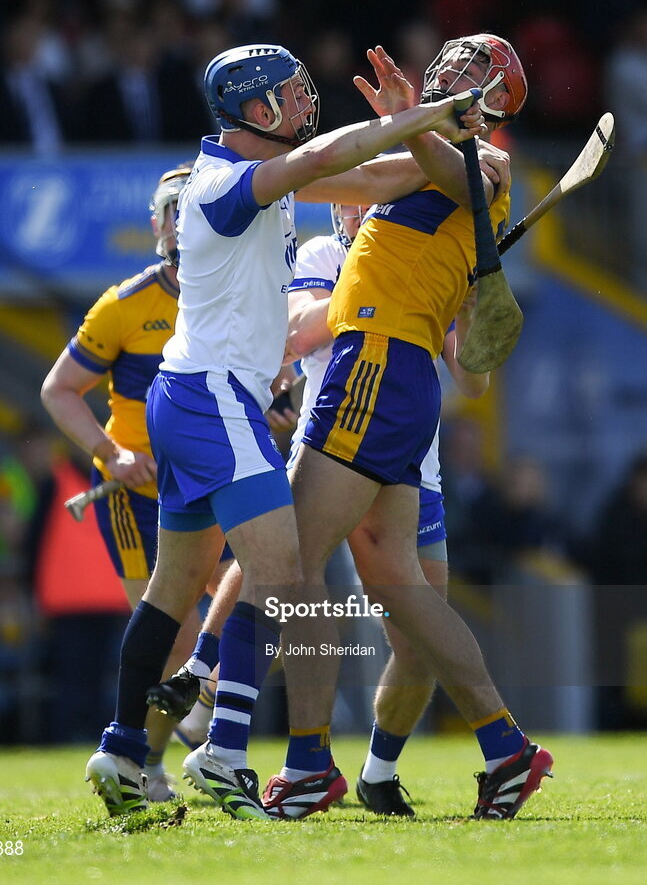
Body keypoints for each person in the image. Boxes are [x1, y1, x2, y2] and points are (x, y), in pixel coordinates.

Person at [84, 40, 489, 822]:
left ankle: (123, 749)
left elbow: (373, 176)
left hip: (192, 396)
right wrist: (425, 113)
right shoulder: (231, 181)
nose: (307, 106)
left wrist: (464, 169)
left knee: (175, 592)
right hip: (214, 401)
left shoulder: (261, 176)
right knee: (286, 575)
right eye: (294, 95)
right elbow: (334, 155)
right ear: (257, 110)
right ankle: (224, 751)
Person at [264, 36, 554, 822]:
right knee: (401, 585)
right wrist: (283, 156)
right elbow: (334, 171)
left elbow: (447, 169)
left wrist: (408, 119)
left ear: (499, 100)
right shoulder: (423, 153)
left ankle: (305, 765)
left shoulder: (485, 165)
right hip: (390, 369)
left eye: (476, 70)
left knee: (291, 555)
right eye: (454, 65)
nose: (456, 73)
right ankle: (507, 752)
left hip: (379, 362)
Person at [284, 202, 490, 817]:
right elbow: (299, 332)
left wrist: (465, 305)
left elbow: (473, 383)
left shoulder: (423, 260)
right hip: (333, 454)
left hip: (408, 466)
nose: (353, 209)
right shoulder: (325, 255)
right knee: (285, 582)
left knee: (418, 637)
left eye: (368, 198)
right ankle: (237, 737)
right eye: (347, 197)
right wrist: (387, 285)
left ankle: (377, 774)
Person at [41, 165, 232, 804]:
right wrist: (114, 453)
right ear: (160, 225)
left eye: (194, 211)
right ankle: (143, 763)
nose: (183, 224)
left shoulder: (234, 294)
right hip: (137, 497)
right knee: (172, 628)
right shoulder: (125, 304)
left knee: (260, 605)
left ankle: (200, 723)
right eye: (174, 212)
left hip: (211, 485)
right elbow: (60, 390)